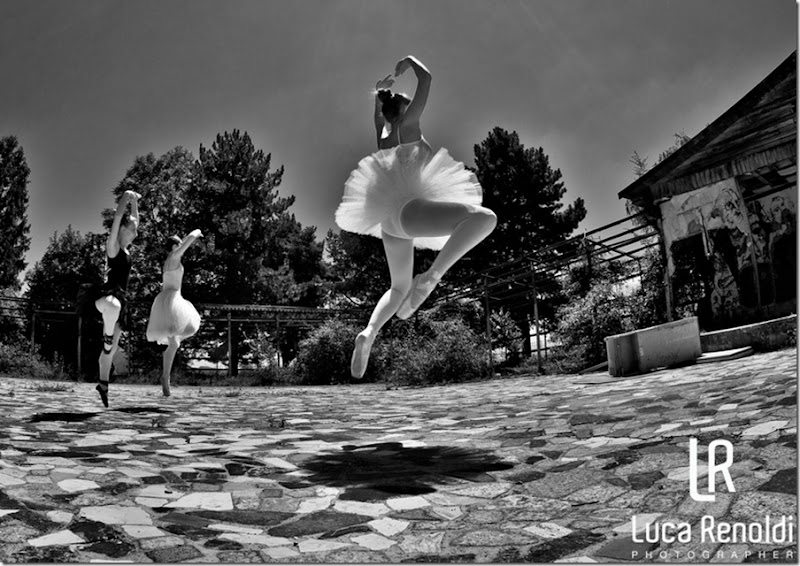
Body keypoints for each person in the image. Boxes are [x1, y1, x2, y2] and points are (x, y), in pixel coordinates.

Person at [335, 55, 497, 378]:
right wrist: (409, 60)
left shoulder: (384, 137)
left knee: (398, 289)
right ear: (406, 109)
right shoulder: (410, 126)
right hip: (409, 208)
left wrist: (380, 94)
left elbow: (379, 117)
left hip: (390, 221)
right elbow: (428, 79)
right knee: (484, 219)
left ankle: (369, 332)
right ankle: (431, 278)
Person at [94, 190, 140, 407]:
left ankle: (103, 384)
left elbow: (135, 219)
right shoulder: (113, 247)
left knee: (110, 353)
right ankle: (107, 338)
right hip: (106, 298)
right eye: (132, 230)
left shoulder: (128, 251)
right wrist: (125, 198)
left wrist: (136, 203)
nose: (136, 233)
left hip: (121, 306)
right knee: (113, 304)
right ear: (122, 229)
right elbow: (117, 219)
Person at [145, 229, 203, 397]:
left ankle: (165, 378)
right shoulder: (175, 257)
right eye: (179, 243)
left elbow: (183, 241)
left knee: (174, 343)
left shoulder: (170, 259)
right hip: (172, 301)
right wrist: (197, 232)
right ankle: (165, 378)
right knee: (174, 343)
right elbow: (187, 241)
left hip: (169, 299)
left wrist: (186, 238)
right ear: (175, 246)